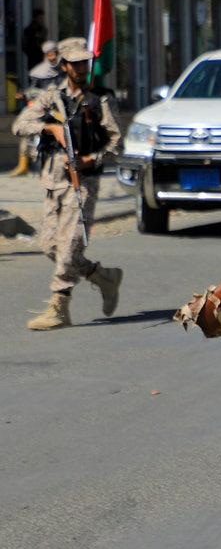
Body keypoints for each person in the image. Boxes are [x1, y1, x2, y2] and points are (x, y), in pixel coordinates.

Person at [13, 38, 123, 330]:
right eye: (74, 63)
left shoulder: (100, 99)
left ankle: (59, 306)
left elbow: (116, 141)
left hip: (83, 182)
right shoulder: (52, 98)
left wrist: (92, 158)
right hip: (53, 181)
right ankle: (103, 277)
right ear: (63, 65)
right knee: (50, 244)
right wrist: (51, 128)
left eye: (84, 62)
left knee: (70, 244)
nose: (81, 68)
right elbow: (19, 125)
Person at [8, 40, 62, 177]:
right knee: (26, 127)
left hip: (58, 107)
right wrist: (25, 94)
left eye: (54, 54)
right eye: (49, 55)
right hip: (41, 106)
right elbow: (32, 90)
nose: (52, 57)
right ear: (45, 56)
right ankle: (23, 165)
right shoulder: (38, 73)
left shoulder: (63, 71)